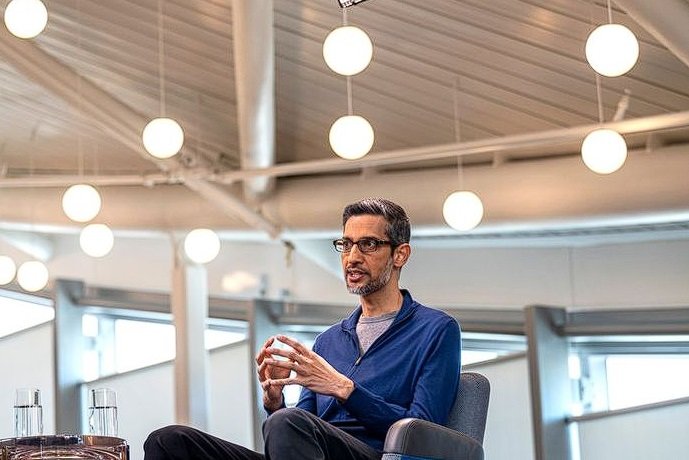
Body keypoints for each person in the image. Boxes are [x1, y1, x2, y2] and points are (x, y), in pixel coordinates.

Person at [144, 198, 461, 460]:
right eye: (346, 244)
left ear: (400, 254)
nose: (352, 257)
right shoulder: (329, 341)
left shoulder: (436, 330)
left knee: (291, 422)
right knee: (169, 442)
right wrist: (275, 403)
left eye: (368, 245)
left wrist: (344, 389)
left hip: (376, 456)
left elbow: (421, 432)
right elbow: (299, 422)